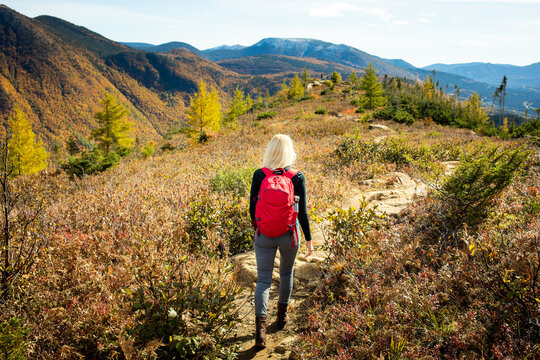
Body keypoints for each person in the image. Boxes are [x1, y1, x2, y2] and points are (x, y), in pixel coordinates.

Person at [249, 134, 312, 349]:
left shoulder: (260, 174)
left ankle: (260, 331)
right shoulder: (297, 176)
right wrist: (309, 239)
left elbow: (251, 208)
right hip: (289, 234)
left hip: (264, 235)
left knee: (264, 279)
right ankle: (282, 317)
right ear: (289, 151)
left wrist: (259, 228)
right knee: (286, 273)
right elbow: (302, 212)